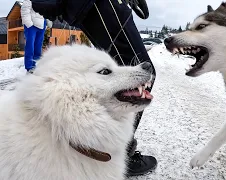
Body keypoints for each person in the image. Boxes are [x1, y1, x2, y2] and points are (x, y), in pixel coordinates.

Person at [30, 0, 157, 176]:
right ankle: (111, 154)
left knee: (122, 75)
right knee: (133, 77)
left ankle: (99, 149)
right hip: (98, 5)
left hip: (94, 6)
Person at [21, 0, 52, 74]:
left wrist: (48, 22)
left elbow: (46, 11)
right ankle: (29, 67)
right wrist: (29, 24)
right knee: (30, 46)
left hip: (41, 25)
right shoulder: (29, 0)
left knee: (38, 47)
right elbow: (25, 11)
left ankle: (36, 64)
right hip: (31, 26)